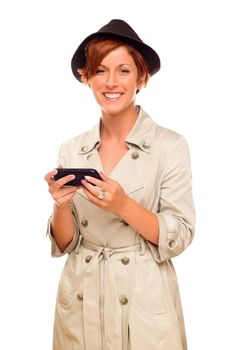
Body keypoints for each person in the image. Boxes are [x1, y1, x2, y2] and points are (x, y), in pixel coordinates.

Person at [44, 19, 195, 350]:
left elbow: (181, 234)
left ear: (141, 77)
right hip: (82, 296)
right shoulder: (72, 149)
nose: (111, 82)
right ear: (87, 78)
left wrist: (123, 206)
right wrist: (61, 204)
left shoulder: (170, 146)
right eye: (100, 70)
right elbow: (67, 244)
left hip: (144, 300)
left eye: (123, 71)